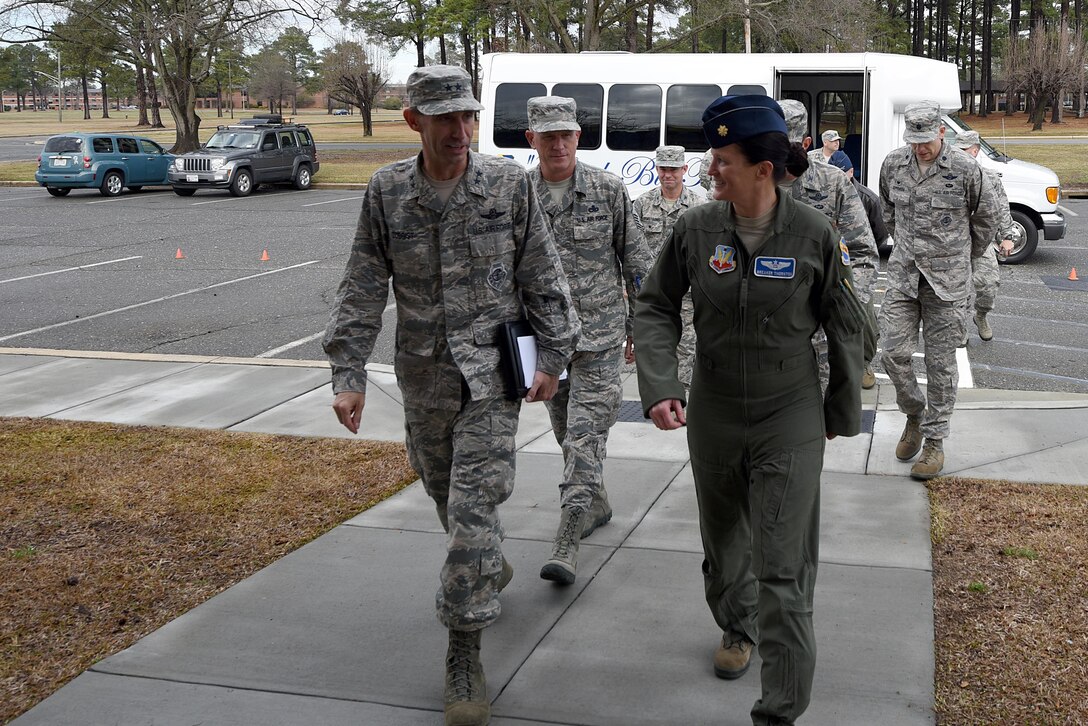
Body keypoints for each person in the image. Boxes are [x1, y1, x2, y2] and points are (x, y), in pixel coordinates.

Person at [323, 65, 579, 726]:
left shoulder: (507, 185)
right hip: (425, 382)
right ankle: (489, 561)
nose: (461, 130)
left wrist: (553, 356)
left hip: (493, 379)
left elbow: (543, 274)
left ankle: (464, 651)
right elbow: (360, 286)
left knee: (469, 511)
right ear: (415, 121)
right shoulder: (387, 193)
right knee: (446, 497)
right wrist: (347, 373)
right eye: (445, 119)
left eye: (468, 116)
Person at [635, 95, 864, 726]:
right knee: (724, 543)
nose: (713, 171)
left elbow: (849, 325)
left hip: (788, 410)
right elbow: (655, 305)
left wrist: (840, 410)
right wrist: (658, 383)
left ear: (763, 167)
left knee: (783, 568)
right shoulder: (696, 228)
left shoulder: (813, 233)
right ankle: (736, 628)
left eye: (724, 161)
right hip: (713, 409)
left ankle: (780, 709)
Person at [524, 95, 646, 585]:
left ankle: (568, 535)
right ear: (531, 139)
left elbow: (638, 265)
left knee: (584, 437)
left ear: (579, 136)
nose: (558, 144)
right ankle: (594, 504)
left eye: (567, 134)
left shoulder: (607, 190)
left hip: (599, 340)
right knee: (565, 434)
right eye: (548, 135)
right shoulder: (517, 195)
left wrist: (642, 330)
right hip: (548, 346)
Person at [879, 102, 999, 480]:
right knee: (893, 353)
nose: (920, 148)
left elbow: (987, 218)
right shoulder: (894, 164)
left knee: (941, 364)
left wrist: (964, 258)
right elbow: (887, 211)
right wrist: (908, 247)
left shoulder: (965, 169)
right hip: (903, 276)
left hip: (947, 284)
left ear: (941, 132)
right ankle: (914, 413)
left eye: (926, 140)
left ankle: (934, 441)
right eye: (914, 141)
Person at [778, 99, 880, 390]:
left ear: (807, 143)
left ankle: (864, 362)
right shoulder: (751, 181)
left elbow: (862, 251)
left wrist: (846, 305)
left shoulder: (832, 182)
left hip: (822, 314)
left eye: (789, 146)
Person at [632, 145, 707, 392]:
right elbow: (633, 250)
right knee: (656, 343)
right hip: (654, 293)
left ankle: (681, 394)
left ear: (684, 169)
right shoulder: (642, 204)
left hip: (687, 293)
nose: (668, 175)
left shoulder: (699, 205)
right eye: (663, 169)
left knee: (686, 346)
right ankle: (660, 393)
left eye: (674, 169)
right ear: (657, 169)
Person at [950, 130, 1019, 342]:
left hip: (981, 240)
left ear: (975, 150)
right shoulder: (947, 178)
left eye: (966, 151)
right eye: (957, 151)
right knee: (957, 291)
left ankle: (981, 315)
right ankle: (959, 329)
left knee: (988, 285)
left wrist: (1007, 236)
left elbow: (1000, 209)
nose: (961, 155)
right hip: (953, 242)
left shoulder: (989, 178)